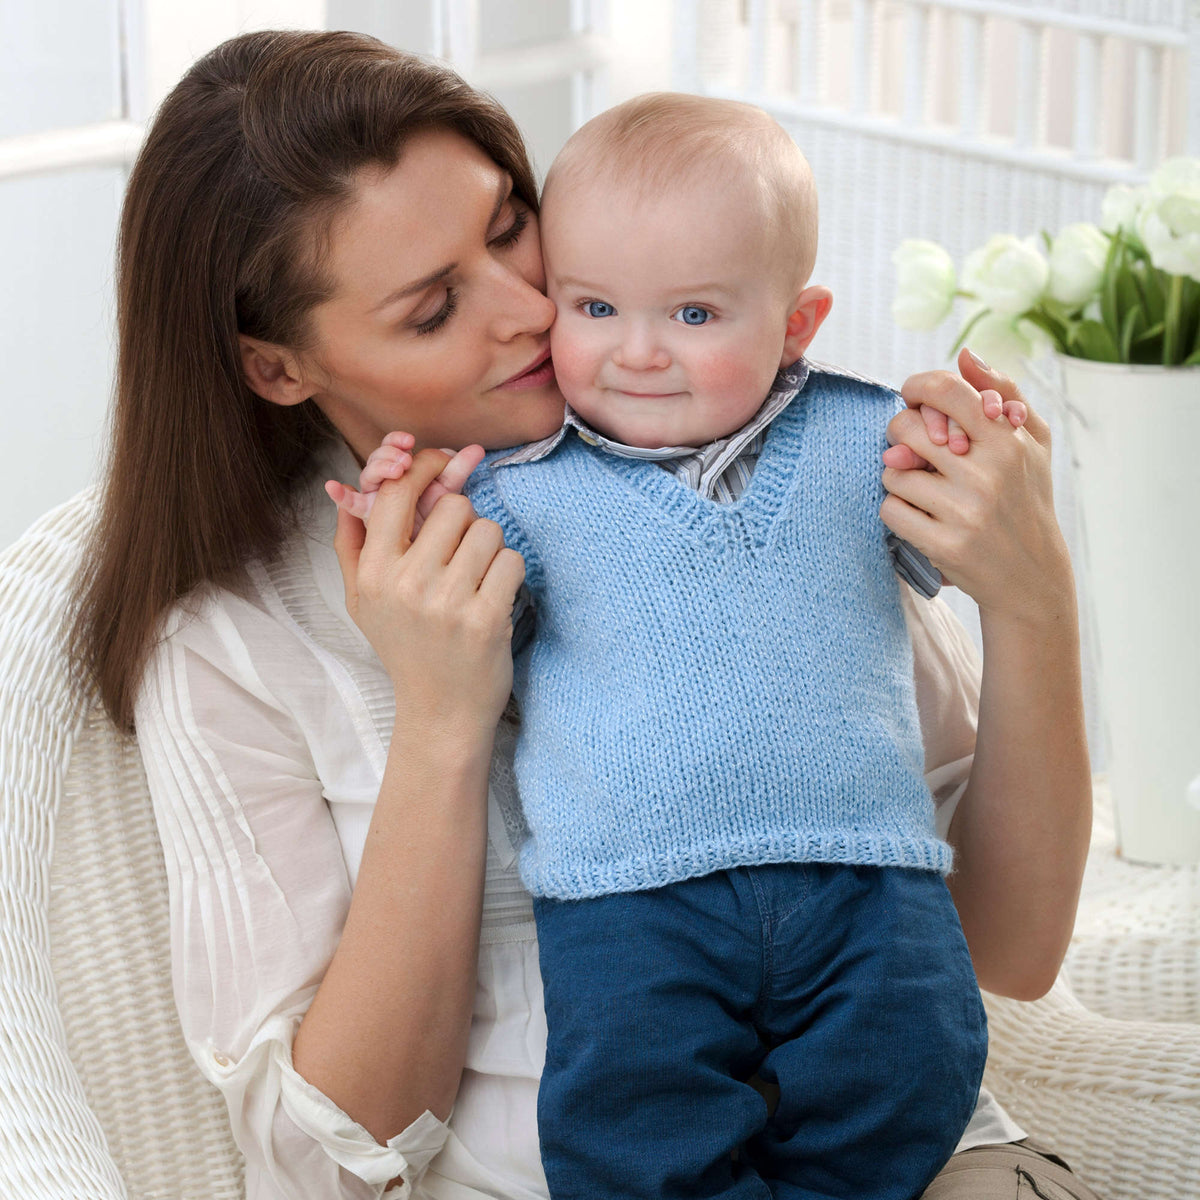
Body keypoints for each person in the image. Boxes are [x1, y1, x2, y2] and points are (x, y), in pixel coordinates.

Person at [68, 28, 1095, 1200]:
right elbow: (328, 1158)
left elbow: (1010, 950)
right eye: (431, 306)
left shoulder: (768, 460)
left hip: (923, 1160)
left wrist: (1033, 600)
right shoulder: (232, 641)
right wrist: (443, 725)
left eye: (510, 225)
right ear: (278, 368)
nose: (531, 309)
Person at [337, 93, 1017, 1200]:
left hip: (869, 878)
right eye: (595, 306)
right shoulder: (521, 490)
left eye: (695, 316)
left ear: (797, 324)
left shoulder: (861, 439)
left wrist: (969, 444)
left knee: (912, 1075)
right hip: (630, 906)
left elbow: (979, 538)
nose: (638, 353)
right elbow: (442, 617)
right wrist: (397, 516)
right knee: (631, 1126)